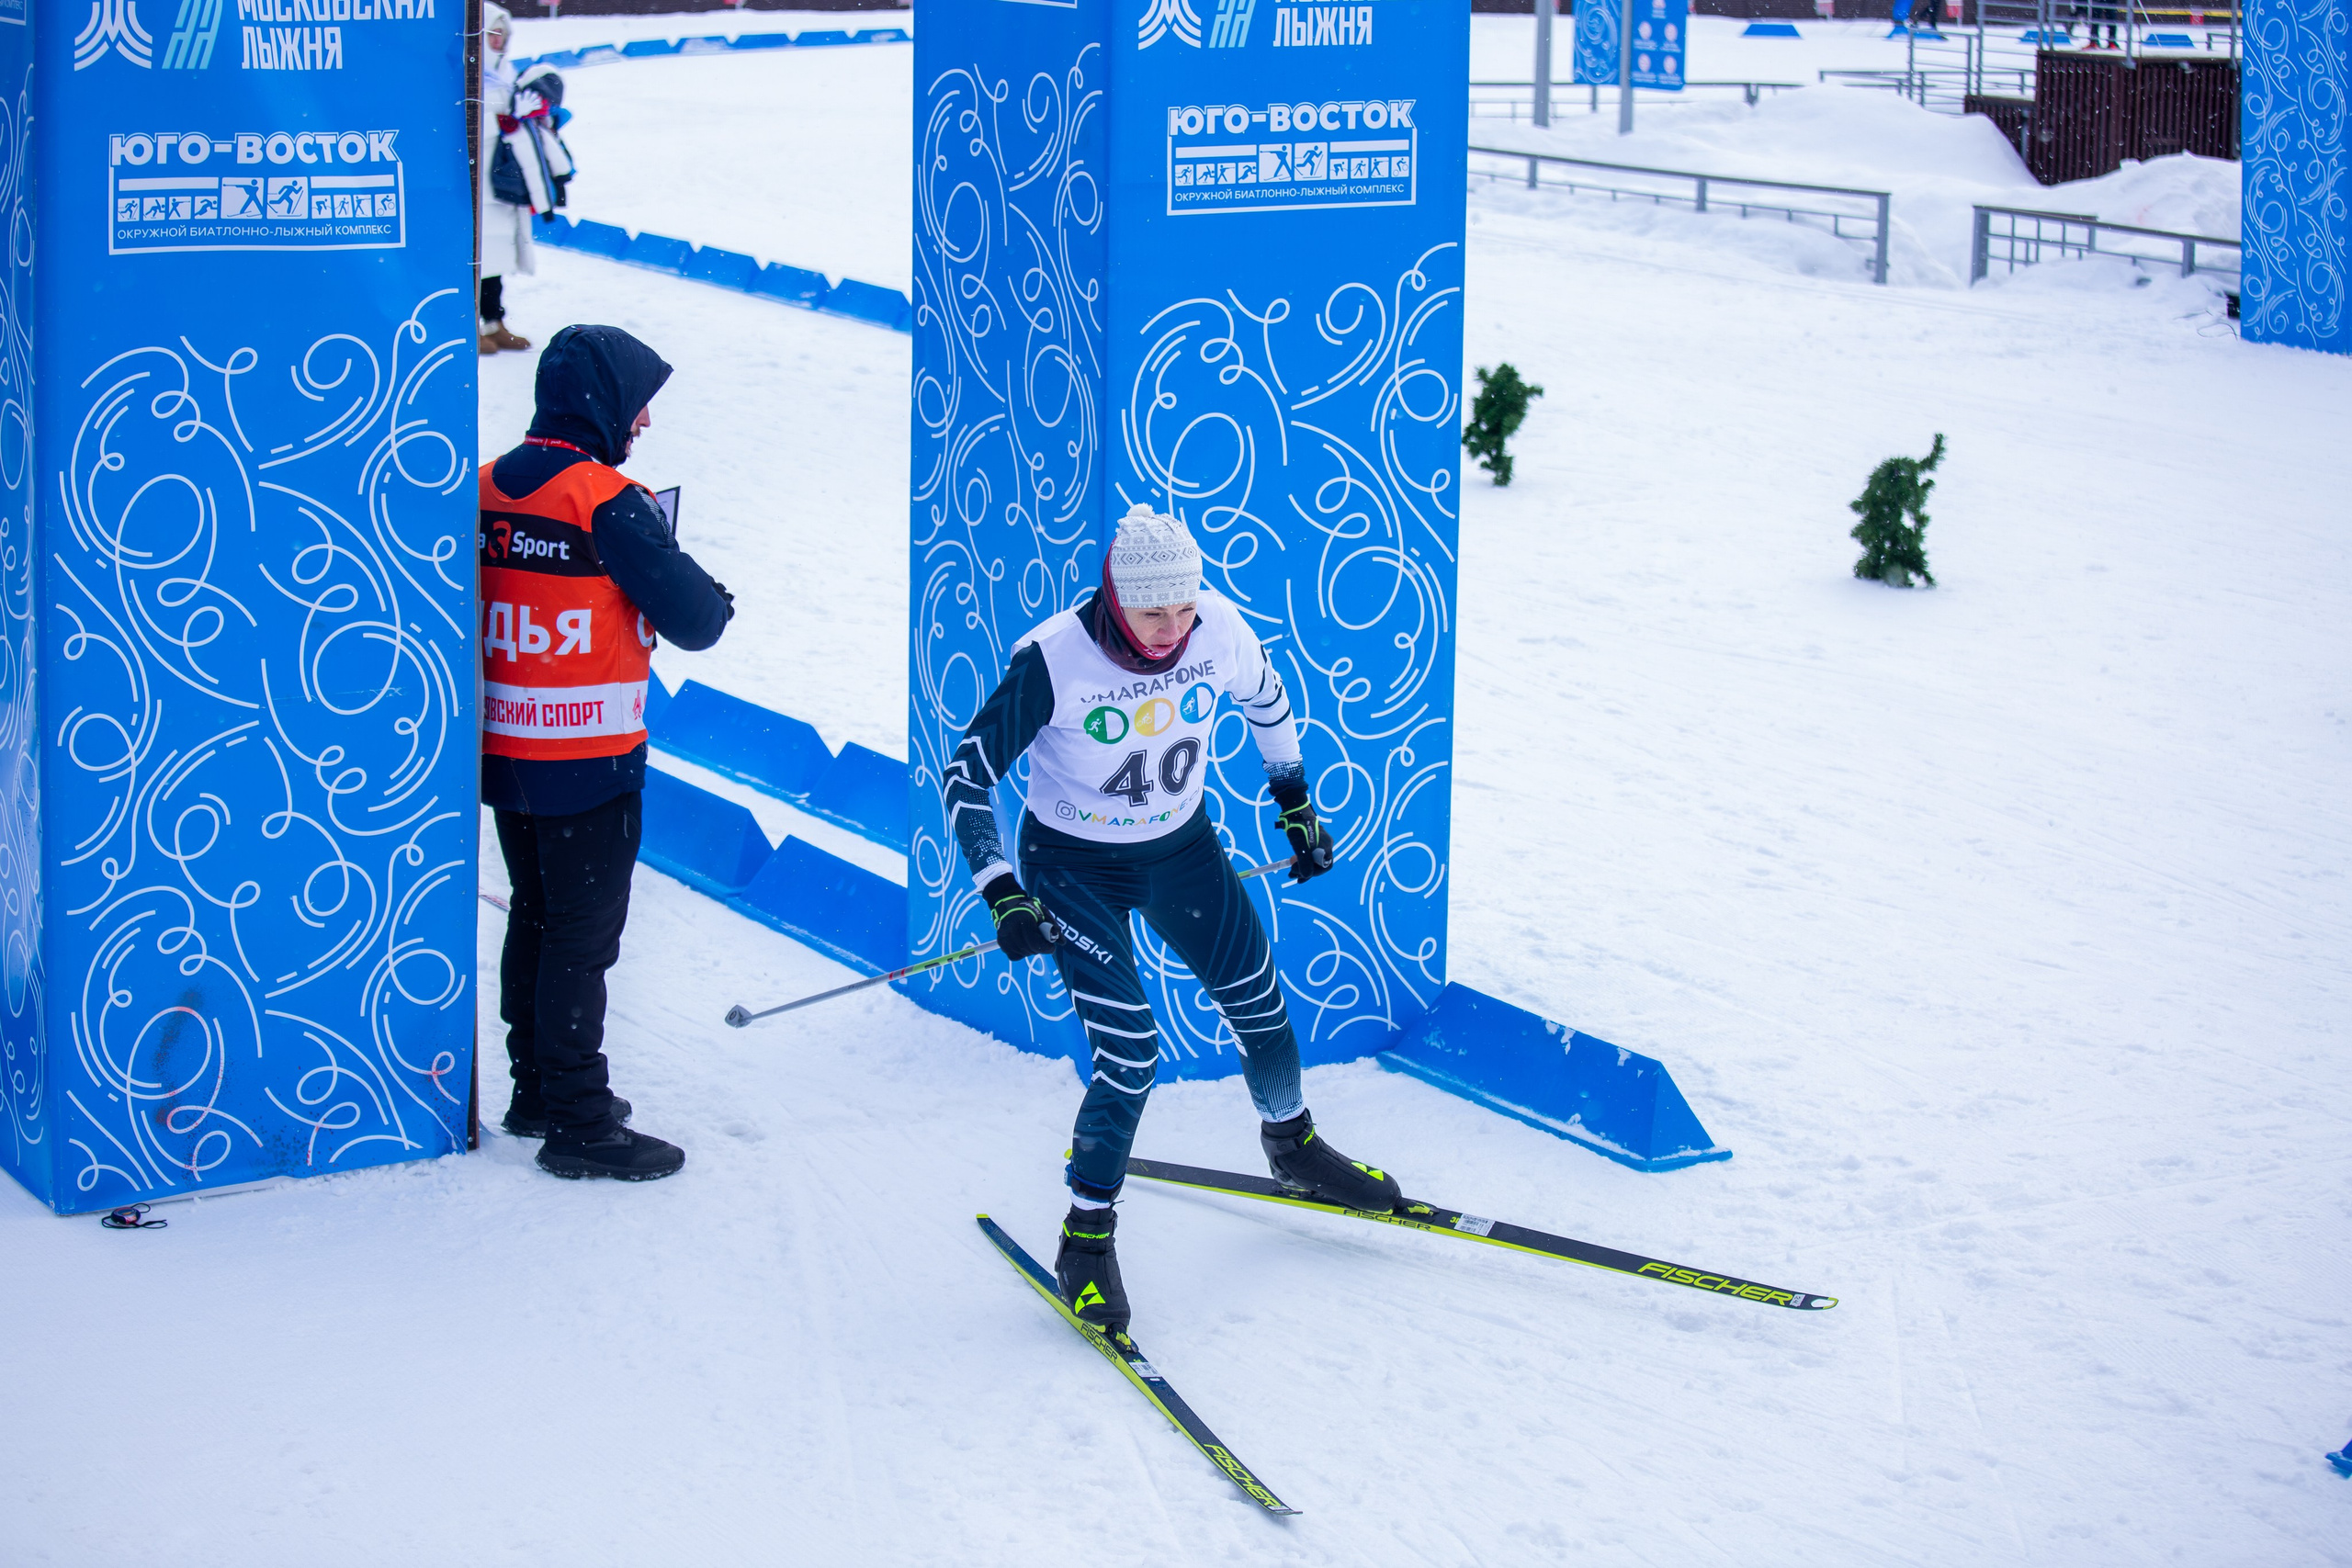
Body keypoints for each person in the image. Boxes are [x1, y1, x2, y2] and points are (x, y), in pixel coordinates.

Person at [943, 503, 1402, 1331]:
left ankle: (1291, 1146)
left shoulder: (1217, 625)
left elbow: (1268, 702)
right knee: (1131, 1053)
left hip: (1181, 849)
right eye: (1155, 611)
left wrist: (1293, 798)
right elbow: (966, 778)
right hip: (1073, 866)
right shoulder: (1053, 659)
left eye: (1186, 607)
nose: (1174, 628)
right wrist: (1001, 888)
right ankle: (1086, 1239)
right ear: (1116, 597)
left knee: (1259, 1002)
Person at [480, 325, 735, 1179]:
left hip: (506, 750)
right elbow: (697, 619)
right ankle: (581, 1121)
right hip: (587, 758)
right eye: (639, 399)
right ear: (603, 402)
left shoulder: (486, 487)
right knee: (581, 939)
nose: (646, 420)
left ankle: (536, 1088)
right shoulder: (604, 498)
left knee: (536, 916)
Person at [478, 3, 533, 354]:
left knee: (497, 255)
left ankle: (494, 321)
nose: (500, 41)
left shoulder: (508, 73)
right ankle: (469, 324)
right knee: (476, 255)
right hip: (475, 180)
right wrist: (506, 120)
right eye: (493, 33)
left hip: (503, 181)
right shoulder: (465, 73)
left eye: (504, 34)